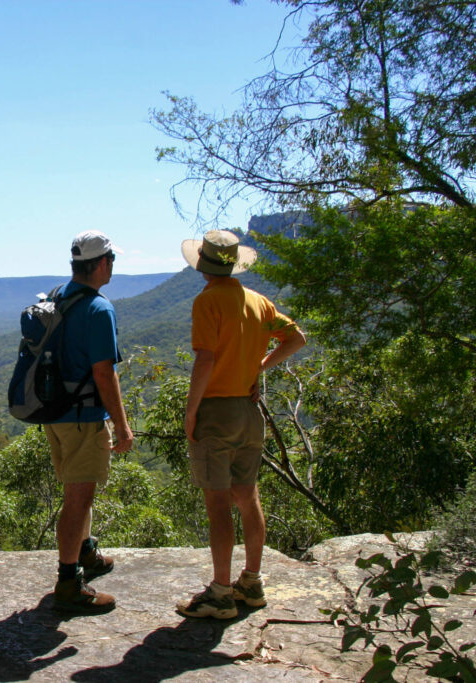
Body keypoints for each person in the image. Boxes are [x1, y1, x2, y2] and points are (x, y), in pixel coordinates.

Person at [175, 230, 306, 619]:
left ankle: (219, 595)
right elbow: (296, 338)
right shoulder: (258, 301)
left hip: (216, 411)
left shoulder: (207, 301)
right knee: (247, 497)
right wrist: (259, 368)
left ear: (202, 264)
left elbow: (205, 360)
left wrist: (191, 411)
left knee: (217, 504)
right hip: (251, 413)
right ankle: (251, 583)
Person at [46, 230, 134, 614]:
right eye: (112, 260)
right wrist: (123, 424)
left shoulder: (56, 297)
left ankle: (86, 554)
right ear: (100, 263)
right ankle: (69, 584)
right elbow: (104, 374)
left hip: (54, 413)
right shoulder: (100, 309)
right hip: (83, 417)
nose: (113, 266)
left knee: (78, 493)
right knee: (78, 500)